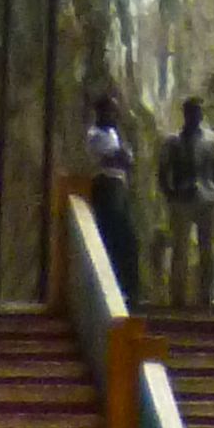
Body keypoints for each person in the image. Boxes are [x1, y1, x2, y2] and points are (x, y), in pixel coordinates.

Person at [159, 100, 214, 309]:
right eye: (191, 112)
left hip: (208, 198)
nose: (195, 116)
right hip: (182, 199)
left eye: (198, 112)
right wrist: (170, 194)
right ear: (185, 114)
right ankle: (177, 297)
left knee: (208, 251)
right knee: (180, 250)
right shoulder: (173, 142)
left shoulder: (210, 140)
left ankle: (206, 296)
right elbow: (163, 172)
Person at [80, 89, 139, 307]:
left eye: (115, 111)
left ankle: (129, 289)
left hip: (120, 185)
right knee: (112, 234)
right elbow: (111, 158)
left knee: (128, 239)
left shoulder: (116, 134)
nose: (114, 115)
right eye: (110, 111)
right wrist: (120, 156)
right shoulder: (95, 134)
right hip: (106, 185)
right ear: (101, 112)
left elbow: (128, 159)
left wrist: (122, 156)